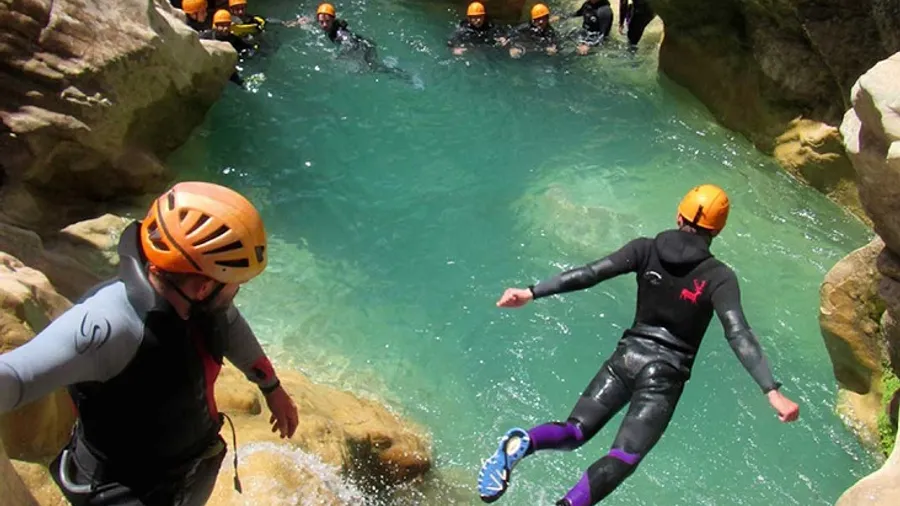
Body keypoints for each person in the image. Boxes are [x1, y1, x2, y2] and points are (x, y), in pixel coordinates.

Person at [476, 184, 800, 506]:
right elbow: (738, 332)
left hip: (625, 359)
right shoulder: (719, 277)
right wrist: (771, 390)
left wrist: (532, 292)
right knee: (623, 457)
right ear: (719, 228)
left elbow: (590, 273)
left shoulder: (644, 249)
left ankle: (523, 442)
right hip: (663, 377)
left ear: (679, 215)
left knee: (575, 430)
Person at [0, 181, 300, 506]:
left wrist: (271, 386)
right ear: (203, 287)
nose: (237, 292)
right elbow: (16, 377)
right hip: (121, 492)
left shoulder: (193, 298)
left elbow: (229, 323)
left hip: (181, 474)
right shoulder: (112, 325)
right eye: (235, 285)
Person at [313, 3, 417, 84]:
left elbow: (351, 44)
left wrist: (339, 57)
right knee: (370, 69)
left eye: (327, 21)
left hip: (363, 47)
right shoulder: (330, 27)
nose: (324, 25)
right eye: (321, 22)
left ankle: (405, 76)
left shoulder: (340, 34)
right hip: (362, 44)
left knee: (373, 68)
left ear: (333, 19)